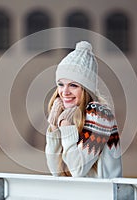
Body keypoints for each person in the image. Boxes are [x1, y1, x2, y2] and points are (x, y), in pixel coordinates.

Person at [45, 41, 122, 178]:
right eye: (61, 84)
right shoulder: (72, 115)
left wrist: (65, 126)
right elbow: (56, 172)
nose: (65, 92)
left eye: (73, 85)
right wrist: (54, 129)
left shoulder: (100, 113)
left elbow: (78, 171)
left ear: (86, 89)